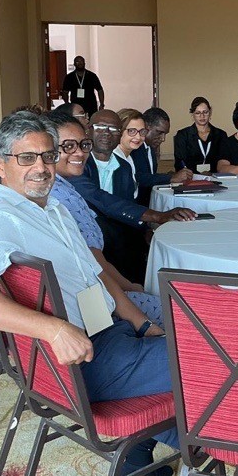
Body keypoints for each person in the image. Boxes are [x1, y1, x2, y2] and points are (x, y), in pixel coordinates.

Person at [0, 110, 175, 476]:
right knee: (211, 358)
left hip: (110, 331)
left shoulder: (54, 208)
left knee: (190, 348)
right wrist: (55, 329)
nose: (40, 167)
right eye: (26, 158)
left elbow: (97, 277)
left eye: (46, 155)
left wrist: (140, 323)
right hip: (86, 359)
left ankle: (139, 453)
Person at [48, 111, 164, 325]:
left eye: (82, 145)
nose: (78, 153)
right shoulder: (58, 197)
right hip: (92, 308)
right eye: (67, 146)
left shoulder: (64, 186)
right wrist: (142, 324)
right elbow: (95, 269)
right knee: (178, 314)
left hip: (101, 281)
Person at [73, 109, 195, 282]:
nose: (107, 133)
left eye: (114, 129)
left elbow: (127, 203)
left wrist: (147, 228)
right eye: (100, 127)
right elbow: (99, 198)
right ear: (89, 130)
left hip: (117, 237)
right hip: (84, 239)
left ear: (119, 135)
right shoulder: (78, 162)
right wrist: (156, 216)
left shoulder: (124, 167)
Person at [134, 107, 192, 205]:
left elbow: (150, 177)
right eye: (159, 132)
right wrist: (170, 178)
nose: (163, 139)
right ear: (146, 126)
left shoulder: (150, 149)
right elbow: (136, 178)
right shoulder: (134, 148)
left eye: (165, 134)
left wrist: (169, 175)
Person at [172, 97, 227, 173]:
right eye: (198, 113)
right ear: (192, 114)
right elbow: (179, 162)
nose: (202, 116)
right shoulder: (182, 135)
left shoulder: (221, 135)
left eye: (205, 112)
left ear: (210, 112)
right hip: (190, 178)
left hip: (215, 177)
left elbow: (224, 160)